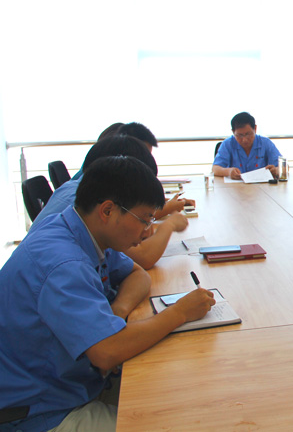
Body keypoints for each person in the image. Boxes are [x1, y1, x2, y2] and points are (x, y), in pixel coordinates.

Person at [0, 156, 215, 432]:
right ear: (108, 211)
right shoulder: (63, 263)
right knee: (173, 420)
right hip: (41, 411)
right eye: (144, 219)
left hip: (75, 384)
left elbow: (137, 274)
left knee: (180, 396)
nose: (148, 231)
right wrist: (180, 312)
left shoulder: (83, 232)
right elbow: (106, 351)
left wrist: (117, 311)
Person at [31, 135, 189, 270]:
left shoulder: (86, 194)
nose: (147, 232)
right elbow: (143, 258)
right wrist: (169, 224)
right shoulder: (88, 213)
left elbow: (135, 272)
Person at [212, 112, 281, 179]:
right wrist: (229, 172)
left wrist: (276, 170)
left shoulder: (265, 143)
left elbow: (283, 167)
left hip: (260, 185)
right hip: (235, 186)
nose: (244, 140)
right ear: (233, 132)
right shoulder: (227, 144)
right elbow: (215, 169)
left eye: (248, 134)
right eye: (239, 135)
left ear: (255, 128)